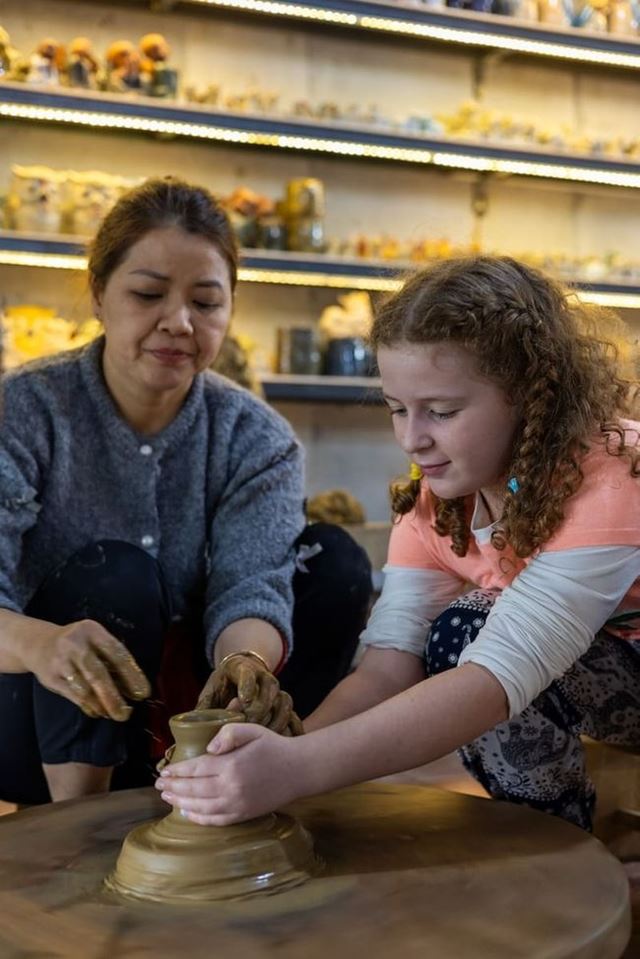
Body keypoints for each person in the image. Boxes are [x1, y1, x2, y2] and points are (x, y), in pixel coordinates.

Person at [157, 254, 640, 832]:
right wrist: (283, 747)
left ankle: (561, 850)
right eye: (397, 409)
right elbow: (389, 666)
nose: (412, 439)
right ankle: (557, 835)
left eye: (441, 411)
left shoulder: (614, 477)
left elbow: (497, 676)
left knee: (469, 628)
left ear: (529, 395)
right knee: (459, 633)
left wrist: (296, 771)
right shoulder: (437, 501)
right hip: (608, 678)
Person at [0, 176, 372, 806]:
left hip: (187, 712)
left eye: (205, 302)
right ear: (99, 293)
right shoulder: (24, 409)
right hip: (33, 717)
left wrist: (245, 665)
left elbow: (251, 584)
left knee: (335, 562)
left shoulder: (256, 436)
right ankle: (78, 826)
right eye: (148, 294)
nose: (178, 322)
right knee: (115, 573)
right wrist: (43, 645)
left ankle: (266, 777)